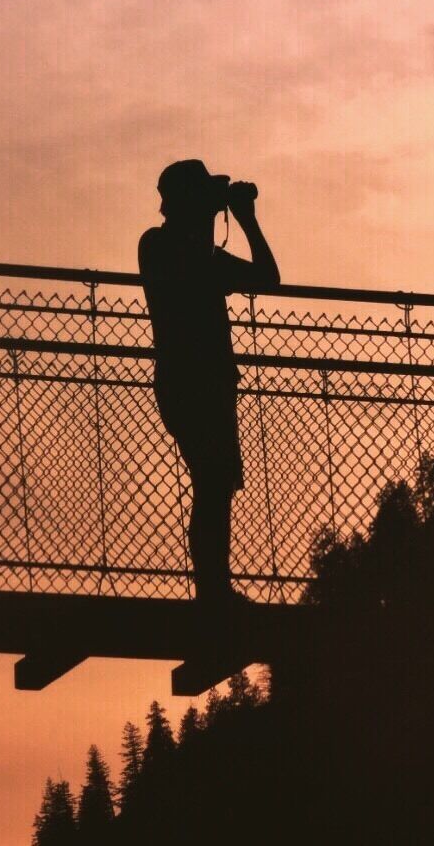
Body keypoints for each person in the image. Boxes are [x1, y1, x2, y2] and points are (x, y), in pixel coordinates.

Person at [139, 160, 280, 607]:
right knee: (211, 483)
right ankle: (212, 590)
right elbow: (197, 265)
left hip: (210, 382)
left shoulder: (199, 252)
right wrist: (227, 217)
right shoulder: (160, 245)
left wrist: (248, 222)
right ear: (184, 203)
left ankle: (214, 587)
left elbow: (268, 278)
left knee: (215, 487)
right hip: (188, 382)